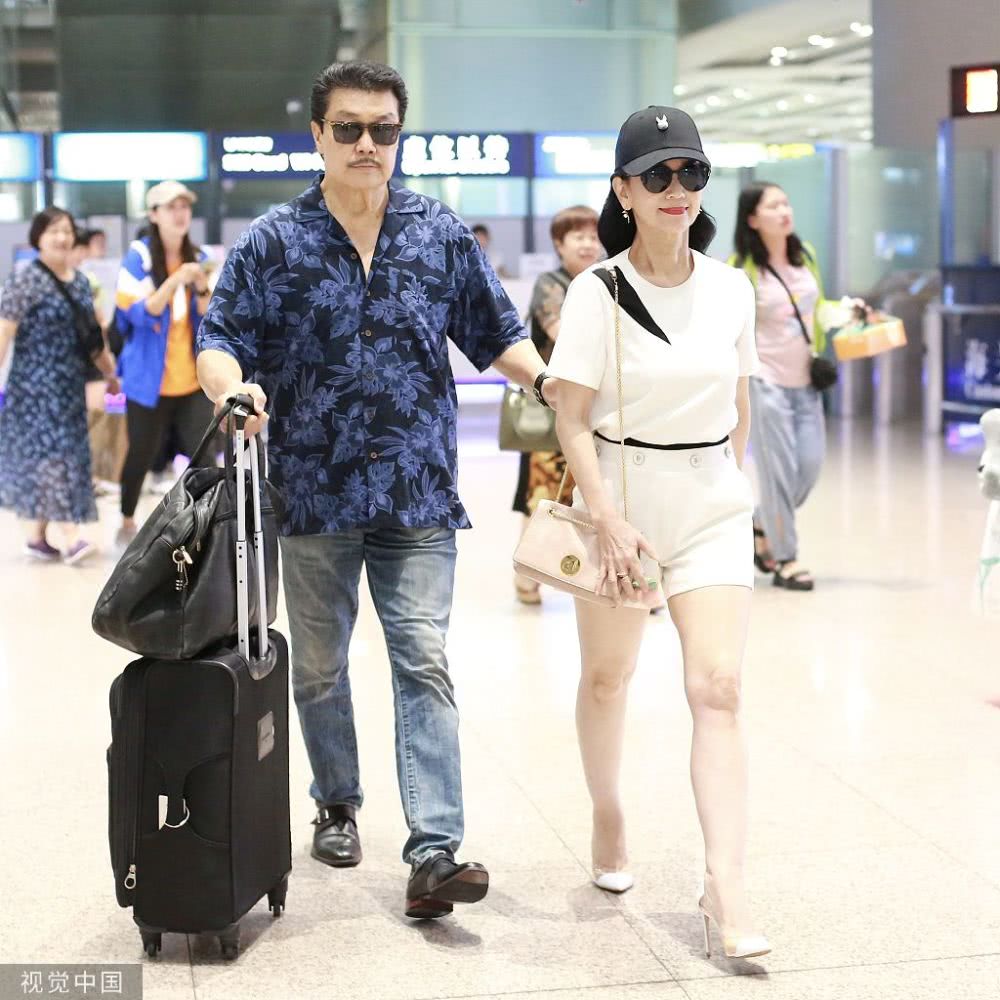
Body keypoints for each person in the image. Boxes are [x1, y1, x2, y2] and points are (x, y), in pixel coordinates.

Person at [196, 59, 554, 919]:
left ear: (400, 135)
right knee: (319, 668)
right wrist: (233, 390)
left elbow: (497, 334)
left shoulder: (438, 234)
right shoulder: (275, 240)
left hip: (418, 491)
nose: (367, 143)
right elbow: (220, 338)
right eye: (349, 127)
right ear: (318, 136)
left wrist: (550, 382)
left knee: (422, 657)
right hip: (312, 493)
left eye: (383, 129)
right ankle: (337, 801)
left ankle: (435, 851)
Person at [547, 106, 770, 960]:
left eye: (692, 172)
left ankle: (726, 887)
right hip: (622, 504)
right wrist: (606, 517)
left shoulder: (731, 289)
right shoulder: (596, 291)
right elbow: (571, 418)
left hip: (709, 504)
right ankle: (608, 813)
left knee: (720, 688)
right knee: (609, 678)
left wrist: (730, 485)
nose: (677, 189)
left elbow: (740, 403)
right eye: (658, 174)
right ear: (624, 190)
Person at [730, 182, 858, 591]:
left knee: (809, 466)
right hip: (765, 382)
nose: (785, 211)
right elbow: (729, 326)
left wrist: (848, 312)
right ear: (753, 219)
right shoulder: (741, 268)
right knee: (779, 475)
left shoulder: (807, 258)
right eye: (774, 206)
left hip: (807, 382)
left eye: (786, 203)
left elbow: (815, 311)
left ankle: (761, 524)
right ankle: (786, 558)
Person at [0, 207, 117, 563]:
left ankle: (37, 537)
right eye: (53, 230)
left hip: (69, 386)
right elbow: (4, 332)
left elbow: (93, 338)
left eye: (67, 230)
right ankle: (71, 536)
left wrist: (110, 373)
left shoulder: (80, 282)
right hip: (33, 389)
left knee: (62, 455)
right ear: (38, 237)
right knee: (55, 456)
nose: (62, 237)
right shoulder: (24, 279)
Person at [114, 181, 216, 543]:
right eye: (171, 207)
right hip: (148, 381)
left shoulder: (201, 257)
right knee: (140, 453)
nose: (180, 214)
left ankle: (208, 527)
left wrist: (200, 285)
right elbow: (138, 313)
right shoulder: (138, 257)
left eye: (184, 206)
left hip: (192, 380)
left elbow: (210, 315)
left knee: (205, 456)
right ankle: (127, 520)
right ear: (154, 215)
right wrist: (175, 281)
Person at [512, 205, 601, 604]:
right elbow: (560, 333)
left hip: (598, 412)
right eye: (577, 236)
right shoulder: (551, 284)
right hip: (554, 409)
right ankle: (528, 571)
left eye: (593, 236)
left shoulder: (604, 281)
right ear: (558, 244)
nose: (588, 244)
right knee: (544, 495)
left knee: (598, 494)